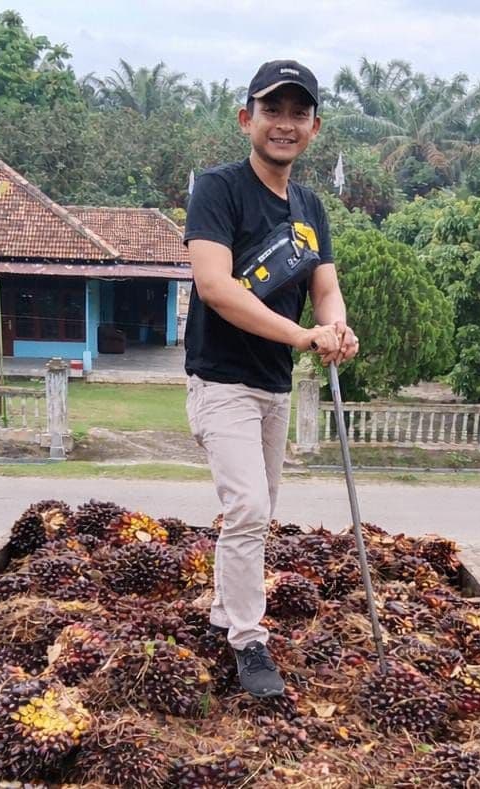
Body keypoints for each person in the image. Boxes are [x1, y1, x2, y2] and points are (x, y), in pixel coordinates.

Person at [183, 59, 359, 698]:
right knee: (250, 508)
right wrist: (303, 336)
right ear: (246, 119)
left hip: (273, 386)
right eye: (272, 110)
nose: (284, 124)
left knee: (257, 512)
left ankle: (224, 613)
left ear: (314, 127)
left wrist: (334, 327)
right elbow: (215, 287)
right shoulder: (218, 190)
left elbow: (325, 285)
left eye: (297, 113)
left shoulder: (311, 205)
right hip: (221, 380)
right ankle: (249, 641)